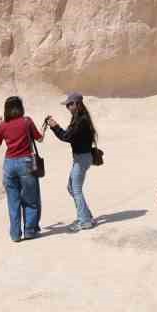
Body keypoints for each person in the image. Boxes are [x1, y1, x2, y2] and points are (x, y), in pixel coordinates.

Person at [0, 95, 43, 242]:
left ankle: (15, 235)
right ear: (20, 107)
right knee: (30, 200)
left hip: (9, 164)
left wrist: (0, 125)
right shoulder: (27, 121)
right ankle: (29, 231)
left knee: (13, 202)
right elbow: (39, 139)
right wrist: (43, 130)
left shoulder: (3, 125)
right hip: (25, 162)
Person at [44, 90, 97, 231]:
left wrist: (54, 126)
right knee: (71, 187)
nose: (67, 107)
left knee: (76, 189)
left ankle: (85, 221)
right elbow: (69, 136)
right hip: (81, 158)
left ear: (77, 104)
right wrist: (55, 126)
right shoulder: (79, 118)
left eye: (69, 104)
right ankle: (87, 216)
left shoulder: (81, 120)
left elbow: (66, 137)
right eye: (67, 105)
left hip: (82, 158)